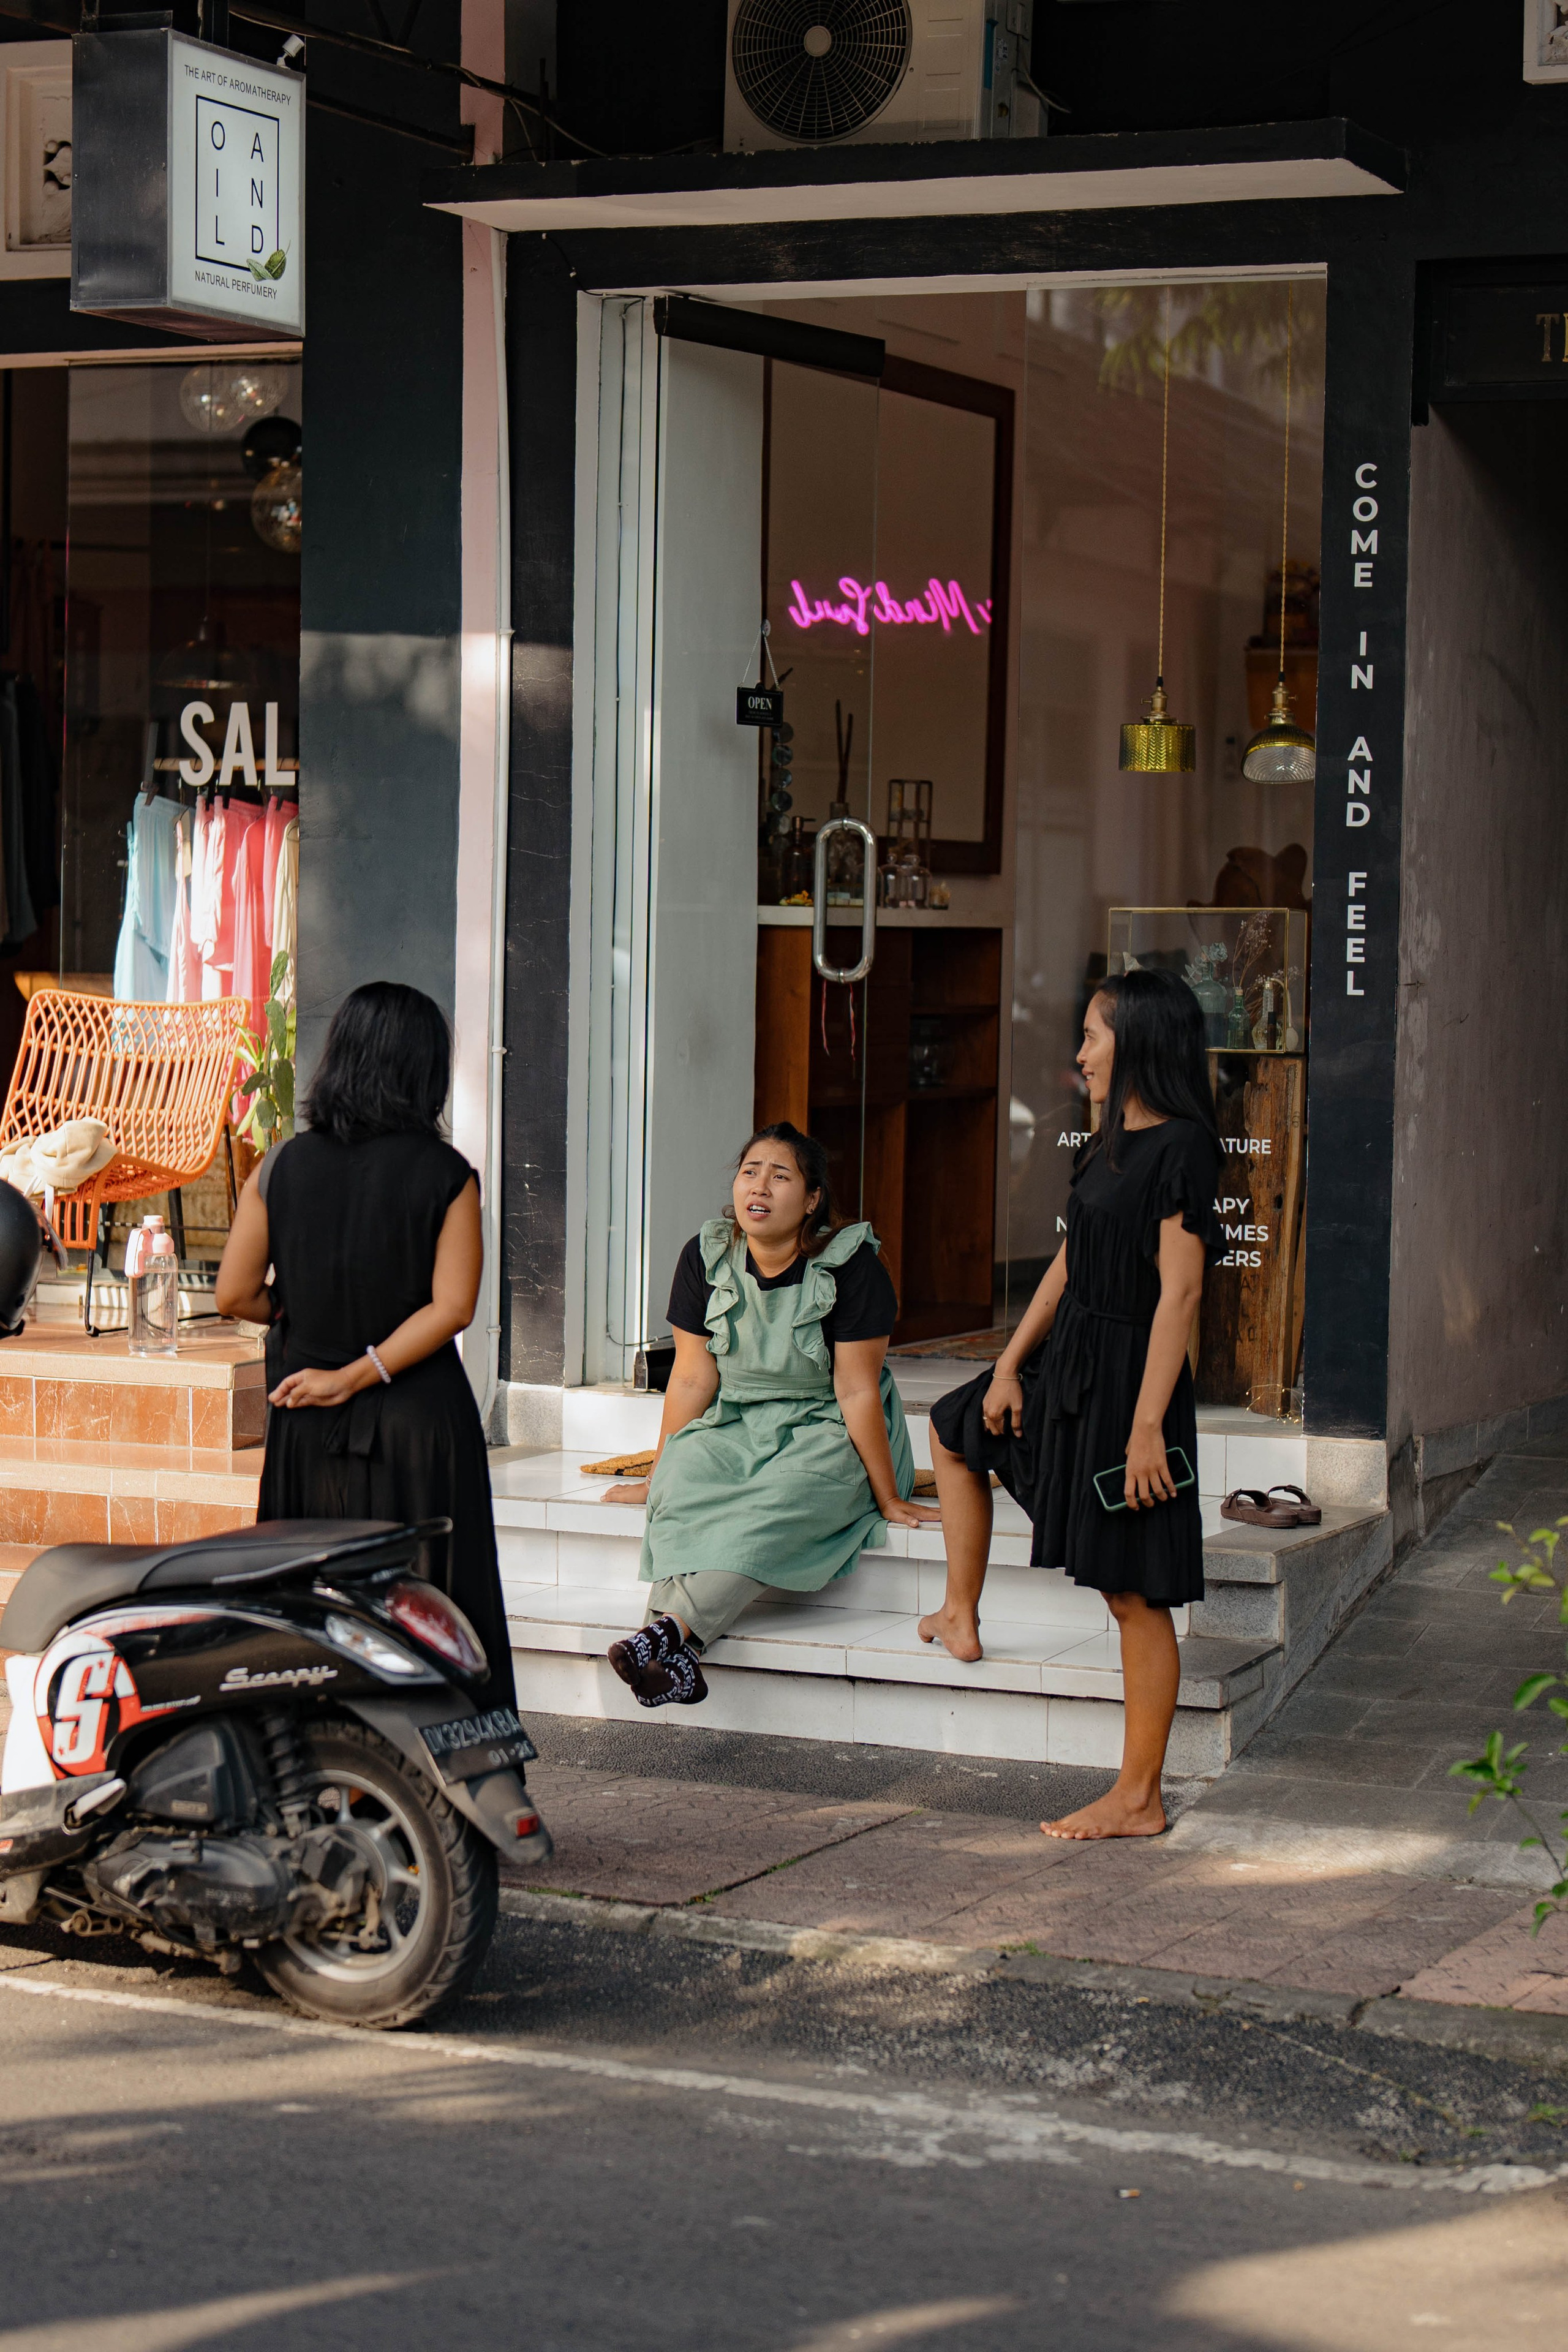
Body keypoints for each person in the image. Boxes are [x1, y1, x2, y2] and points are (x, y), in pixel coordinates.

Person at [921, 967, 1223, 1840]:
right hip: (1073, 1362)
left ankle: (1139, 1796)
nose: (1080, 1053)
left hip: (1134, 1383)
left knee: (1134, 1594)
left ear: (1138, 1043)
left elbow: (1180, 1297)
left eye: (1092, 1035)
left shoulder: (1182, 1147)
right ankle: (957, 1610)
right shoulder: (1107, 1141)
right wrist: (1010, 1362)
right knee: (957, 1425)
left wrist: (1145, 1432)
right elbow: (1067, 1263)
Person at [215, 981, 513, 1714]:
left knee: (315, 1608)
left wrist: (304, 1322)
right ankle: (451, 1764)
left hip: (305, 1421)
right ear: (426, 1071)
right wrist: (362, 1373)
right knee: (436, 1600)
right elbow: (453, 1308)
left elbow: (233, 1295)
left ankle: (321, 1768)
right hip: (417, 1426)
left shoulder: (278, 1166)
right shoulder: (447, 1176)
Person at [602, 1121, 940, 1706]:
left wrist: (886, 1497)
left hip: (829, 1426)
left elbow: (857, 1392)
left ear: (812, 1200)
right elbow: (691, 1375)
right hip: (737, 1418)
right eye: (750, 1171)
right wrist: (661, 1470)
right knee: (684, 1484)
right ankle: (674, 1651)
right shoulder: (706, 1256)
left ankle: (664, 1633)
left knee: (773, 1505)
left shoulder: (851, 1267)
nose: (759, 1186)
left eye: (780, 1176)